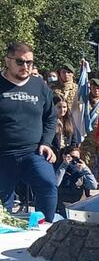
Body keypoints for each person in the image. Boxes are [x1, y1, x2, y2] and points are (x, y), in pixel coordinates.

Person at [0, 42, 58, 221]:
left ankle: (45, 231)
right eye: (20, 62)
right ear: (7, 60)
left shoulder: (40, 86)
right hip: (3, 154)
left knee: (48, 184)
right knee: (3, 203)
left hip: (32, 152)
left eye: (29, 62)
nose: (25, 66)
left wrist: (46, 143)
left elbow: (51, 117)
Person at [55, 145, 98, 213]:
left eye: (77, 158)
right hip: (63, 208)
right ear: (64, 156)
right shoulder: (58, 169)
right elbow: (55, 184)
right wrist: (64, 165)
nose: (75, 160)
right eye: (73, 157)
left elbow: (93, 186)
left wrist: (85, 169)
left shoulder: (81, 171)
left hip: (80, 207)